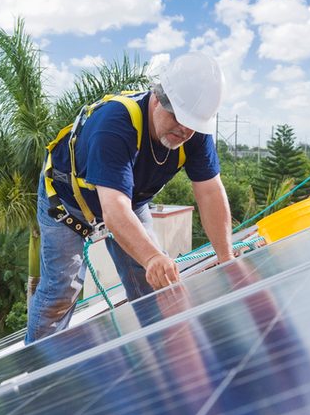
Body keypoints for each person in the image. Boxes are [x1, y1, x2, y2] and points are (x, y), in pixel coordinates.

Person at [26, 52, 235, 344]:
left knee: (154, 285)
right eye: (177, 117)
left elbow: (210, 192)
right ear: (157, 97)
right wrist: (152, 256)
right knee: (62, 290)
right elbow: (114, 211)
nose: (184, 130)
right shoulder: (115, 125)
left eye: (193, 124)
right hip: (68, 204)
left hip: (129, 203)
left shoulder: (194, 132)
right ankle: (36, 367)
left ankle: (166, 360)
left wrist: (227, 260)